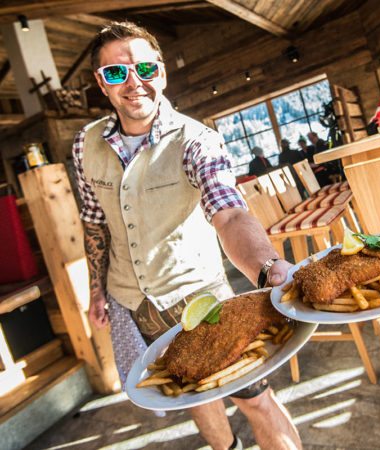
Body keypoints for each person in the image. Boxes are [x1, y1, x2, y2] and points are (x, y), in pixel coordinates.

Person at [73, 21, 301, 450]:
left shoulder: (197, 140)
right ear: (102, 84)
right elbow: (93, 221)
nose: (134, 81)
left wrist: (267, 267)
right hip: (136, 302)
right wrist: (97, 291)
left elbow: (230, 214)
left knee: (255, 399)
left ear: (161, 70)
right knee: (192, 392)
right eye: (117, 72)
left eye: (144, 67)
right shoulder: (86, 144)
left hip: (197, 295)